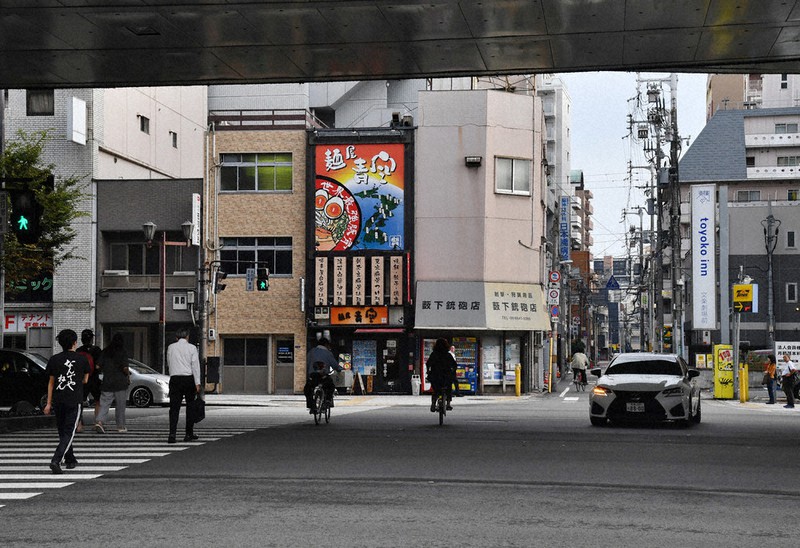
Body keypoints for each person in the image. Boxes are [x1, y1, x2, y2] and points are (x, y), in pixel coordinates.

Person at [43, 329, 91, 474]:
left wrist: (48, 403)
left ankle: (70, 459)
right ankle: (56, 460)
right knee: (69, 432)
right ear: (75, 342)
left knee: (62, 431)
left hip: (58, 400)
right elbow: (85, 380)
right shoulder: (82, 359)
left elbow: (51, 383)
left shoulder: (54, 359)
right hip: (74, 400)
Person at [166, 327, 201, 443]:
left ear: (176, 337)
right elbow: (195, 366)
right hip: (188, 379)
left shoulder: (171, 347)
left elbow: (169, 362)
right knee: (190, 407)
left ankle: (172, 434)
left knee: (174, 408)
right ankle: (188, 434)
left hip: (175, 379)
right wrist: (197, 383)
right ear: (187, 336)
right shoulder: (192, 348)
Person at [94, 333, 130, 433]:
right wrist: (128, 375)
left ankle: (99, 421)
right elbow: (125, 368)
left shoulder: (105, 351)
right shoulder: (123, 352)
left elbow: (97, 366)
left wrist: (105, 369)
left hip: (107, 382)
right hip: (120, 382)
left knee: (104, 404)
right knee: (120, 406)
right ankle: (121, 426)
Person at [304, 338, 343, 413]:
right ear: (326, 345)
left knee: (307, 389)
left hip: (313, 376)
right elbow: (334, 365)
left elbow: (307, 364)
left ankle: (312, 406)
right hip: (323, 376)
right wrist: (338, 369)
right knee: (330, 386)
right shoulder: (328, 353)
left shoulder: (311, 352)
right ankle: (327, 401)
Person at [77, 329, 102, 432]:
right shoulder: (97, 350)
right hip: (94, 379)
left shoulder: (78, 351)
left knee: (79, 402)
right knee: (98, 401)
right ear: (92, 339)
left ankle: (79, 425)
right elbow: (99, 366)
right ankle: (98, 422)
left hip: (82, 380)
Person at [426, 338, 457, 412]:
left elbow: (428, 363)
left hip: (435, 375)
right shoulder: (448, 355)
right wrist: (453, 372)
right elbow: (454, 365)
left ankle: (433, 403)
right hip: (446, 375)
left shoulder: (434, 354)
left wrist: (428, 371)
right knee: (448, 388)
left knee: (435, 390)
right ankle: (448, 404)